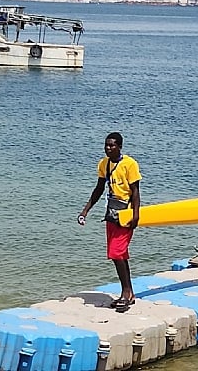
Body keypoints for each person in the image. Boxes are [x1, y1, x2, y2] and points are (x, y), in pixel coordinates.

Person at [78, 132, 141, 313]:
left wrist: (136, 215)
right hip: (111, 213)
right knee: (118, 255)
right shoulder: (104, 164)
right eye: (106, 145)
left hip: (126, 214)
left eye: (112, 145)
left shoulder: (130, 164)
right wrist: (85, 210)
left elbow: (135, 191)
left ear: (119, 146)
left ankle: (126, 293)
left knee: (116, 252)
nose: (108, 148)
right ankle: (128, 292)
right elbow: (98, 189)